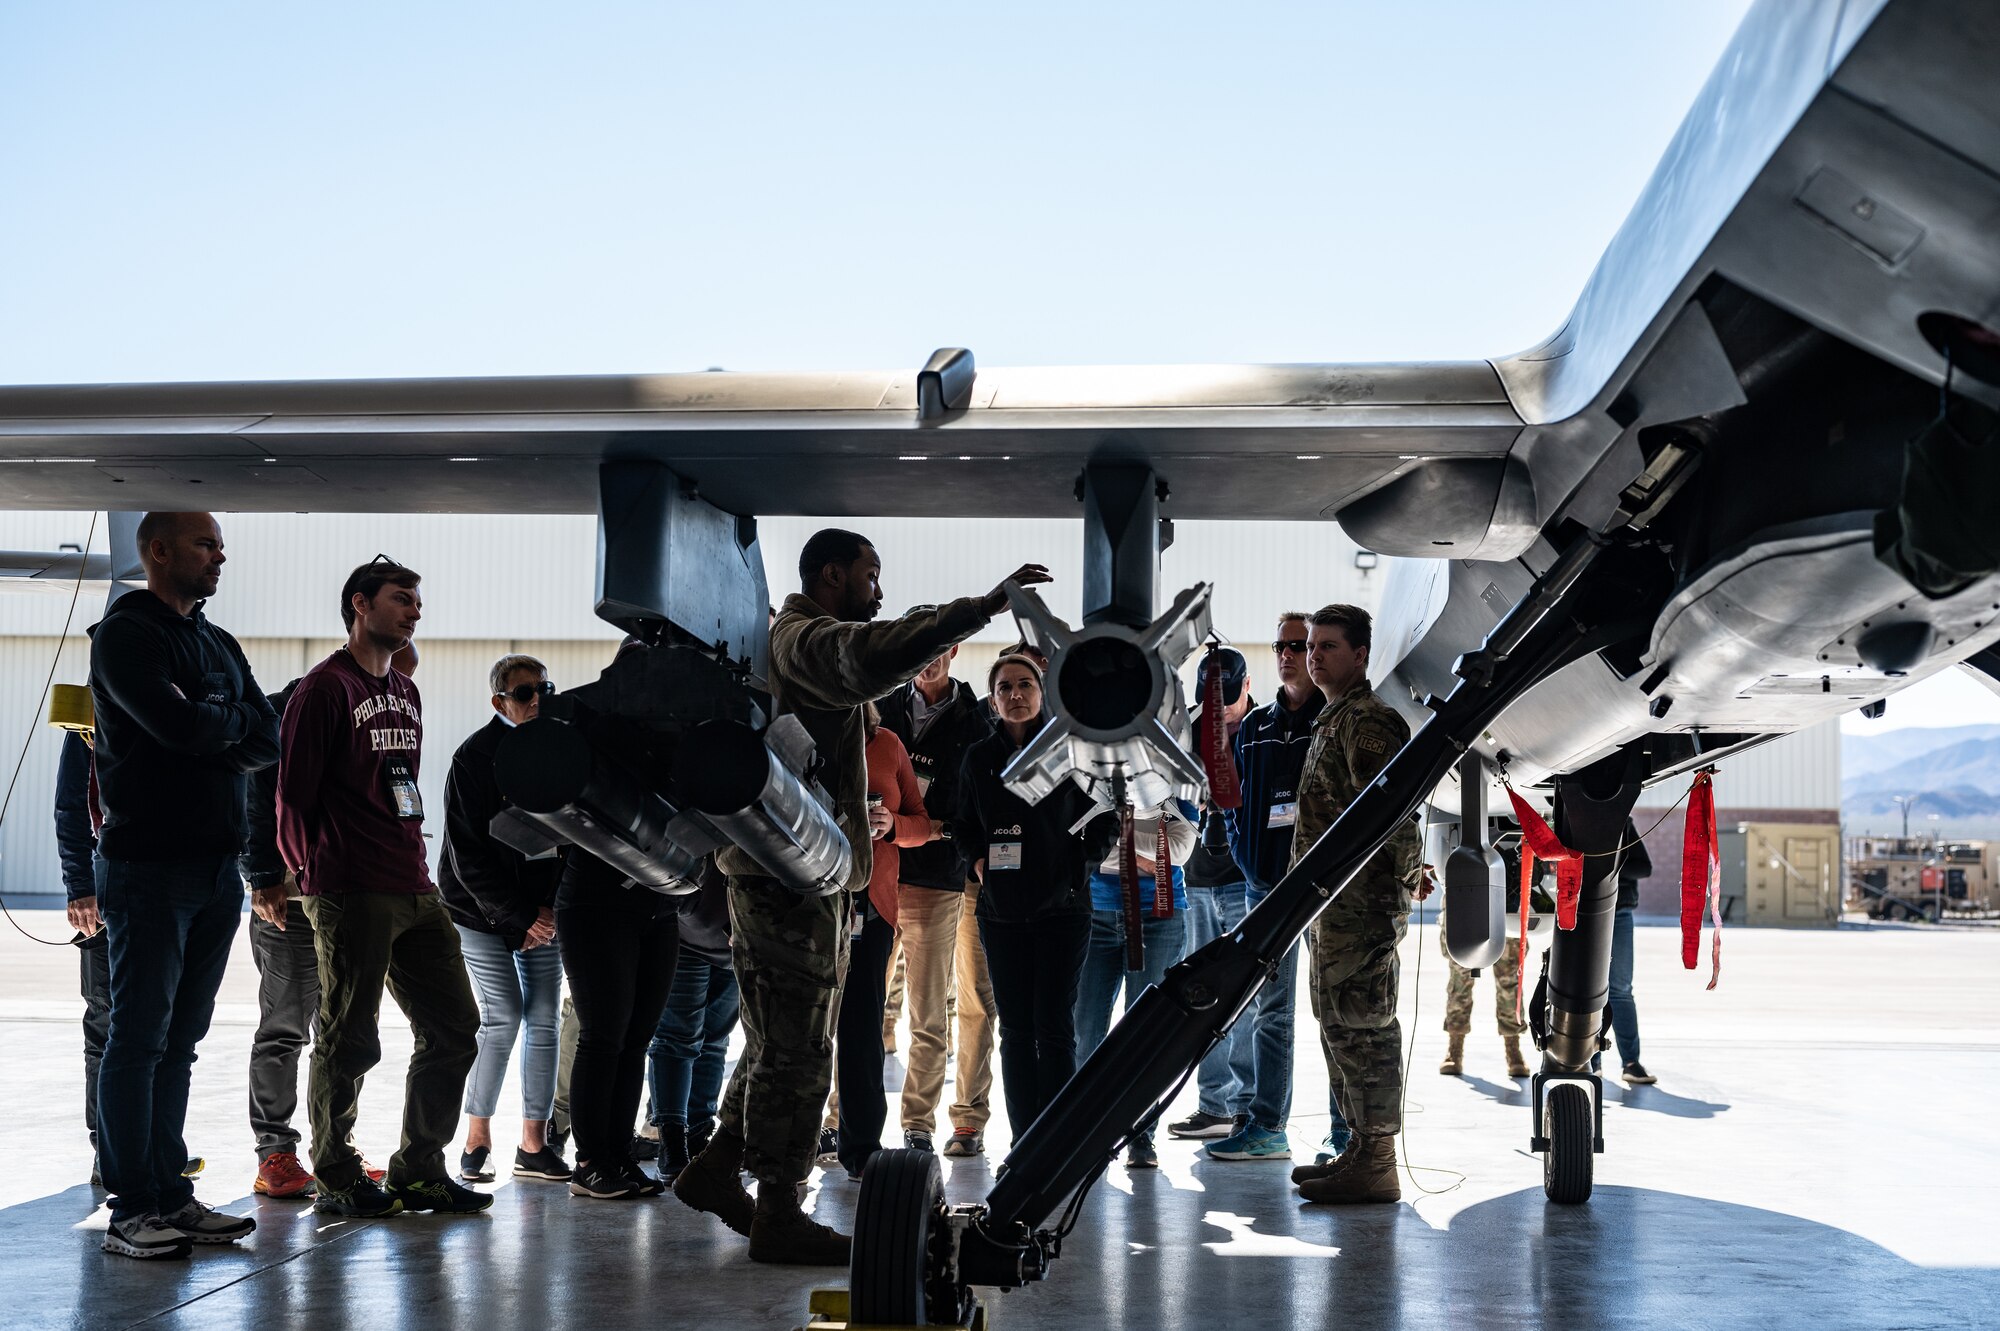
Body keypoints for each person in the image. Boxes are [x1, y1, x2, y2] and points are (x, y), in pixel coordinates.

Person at [674, 527, 1047, 1266]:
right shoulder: (803, 639)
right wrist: (977, 608)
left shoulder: (799, 640)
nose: (877, 589)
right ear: (832, 574)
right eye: (869, 577)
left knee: (780, 1037)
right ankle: (780, 1208)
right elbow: (869, 656)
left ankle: (719, 1165)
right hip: (783, 878)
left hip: (802, 874)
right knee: (798, 1049)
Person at [87, 511, 278, 1258]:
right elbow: (181, 730)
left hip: (213, 867)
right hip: (147, 867)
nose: (220, 556)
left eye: (221, 545)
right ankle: (132, 1206)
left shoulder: (216, 641)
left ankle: (169, 1189)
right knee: (137, 1039)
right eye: (206, 544)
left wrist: (213, 719)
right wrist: (218, 724)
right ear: (158, 550)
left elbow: (266, 736)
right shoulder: (126, 634)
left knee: (181, 1041)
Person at [278, 557, 488, 1218]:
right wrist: (307, 879)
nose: (415, 610)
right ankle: (337, 1171)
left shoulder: (405, 688)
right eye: (403, 598)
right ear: (360, 605)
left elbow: (400, 783)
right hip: (351, 886)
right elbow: (293, 797)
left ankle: (419, 1167)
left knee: (455, 1025)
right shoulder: (323, 689)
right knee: (350, 1034)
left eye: (418, 601)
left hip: (412, 881)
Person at [239, 646, 413, 1201]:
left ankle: (334, 1149)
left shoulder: (385, 711)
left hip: (349, 897)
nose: (395, 692)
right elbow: (256, 795)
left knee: (342, 1031)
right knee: (286, 1027)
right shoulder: (295, 706)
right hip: (288, 903)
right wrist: (263, 873)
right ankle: (275, 1153)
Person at [1286, 604, 1429, 1206]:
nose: (1314, 655)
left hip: (1361, 906)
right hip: (1331, 907)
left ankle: (1377, 1159)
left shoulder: (1369, 723)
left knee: (1365, 1025)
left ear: (1361, 655)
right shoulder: (1331, 720)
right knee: (1336, 1022)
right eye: (1311, 645)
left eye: (1329, 646)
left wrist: (1402, 881)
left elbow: (1390, 812)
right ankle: (1357, 1149)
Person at [955, 655, 1112, 1143]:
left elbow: (1105, 819)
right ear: (993, 697)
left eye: (1025, 685)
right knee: (1016, 1032)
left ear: (1042, 693)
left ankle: (1058, 1143)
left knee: (1055, 1029)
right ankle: (1025, 1144)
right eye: (1005, 688)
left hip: (1062, 911)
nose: (1016, 695)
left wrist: (1075, 871)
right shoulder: (979, 757)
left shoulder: (1073, 752)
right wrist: (978, 862)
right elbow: (961, 824)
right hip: (1001, 912)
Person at [439, 655, 571, 1184]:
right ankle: (476, 1140)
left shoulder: (561, 747)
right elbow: (467, 857)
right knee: (503, 1018)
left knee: (544, 1019)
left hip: (544, 910)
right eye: (523, 693)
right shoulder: (474, 757)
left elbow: (578, 835)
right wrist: (521, 917)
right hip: (481, 909)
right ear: (499, 702)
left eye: (544, 689)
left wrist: (553, 909)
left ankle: (534, 1146)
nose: (536, 699)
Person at [1227, 612, 1339, 1164]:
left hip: (1325, 890)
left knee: (1334, 1008)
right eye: (1284, 645)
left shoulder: (1336, 720)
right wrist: (1242, 852)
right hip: (1265, 888)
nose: (1292, 654)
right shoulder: (1256, 726)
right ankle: (1268, 1127)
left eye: (1303, 645)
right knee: (1270, 1012)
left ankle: (1346, 1133)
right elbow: (1235, 801)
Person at [877, 638, 997, 1159]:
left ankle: (918, 1124)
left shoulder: (976, 722)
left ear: (952, 651)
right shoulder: (879, 710)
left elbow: (970, 810)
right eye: (918, 648)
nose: (927, 660)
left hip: (938, 881)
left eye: (936, 649)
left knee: (928, 1015)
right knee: (862, 1009)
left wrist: (926, 829)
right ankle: (839, 1118)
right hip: (876, 877)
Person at [1170, 647, 1282, 1157]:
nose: (1221, 710)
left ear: (1247, 685)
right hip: (1196, 878)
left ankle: (1247, 1105)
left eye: (1228, 697)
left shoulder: (1263, 728)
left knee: (1250, 996)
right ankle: (1213, 1105)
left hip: (1245, 881)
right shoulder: (1190, 731)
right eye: (1210, 700)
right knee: (1203, 993)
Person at [831, 704, 931, 1178]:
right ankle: (780, 1143)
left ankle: (861, 1148)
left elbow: (921, 824)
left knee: (860, 1030)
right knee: (795, 1032)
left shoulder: (887, 744)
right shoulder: (801, 731)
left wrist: (892, 825)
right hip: (805, 904)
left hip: (870, 909)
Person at [1074, 790, 1197, 1170]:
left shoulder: (1178, 777)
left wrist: (1113, 839)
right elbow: (1078, 841)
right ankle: (1084, 1132)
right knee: (1086, 1030)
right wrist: (1150, 850)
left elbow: (1180, 849)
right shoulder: (1092, 774)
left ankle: (1140, 1135)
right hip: (1097, 911)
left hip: (1159, 915)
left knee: (1146, 1033)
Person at [647, 861, 738, 1183]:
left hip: (742, 943)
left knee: (715, 1041)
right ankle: (672, 1144)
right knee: (676, 1039)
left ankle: (698, 1136)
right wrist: (686, 907)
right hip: (687, 935)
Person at [55, 725, 114, 1185]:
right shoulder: (86, 715)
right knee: (105, 1022)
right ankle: (107, 1149)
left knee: (166, 1028)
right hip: (106, 888)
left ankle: (154, 1144)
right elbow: (71, 806)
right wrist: (80, 887)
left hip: (169, 884)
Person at [1439, 837, 1531, 1079]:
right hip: (1464, 901)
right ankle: (1454, 1047)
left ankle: (1513, 1048)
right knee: (1460, 983)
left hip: (1506, 903)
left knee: (1510, 983)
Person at [1608, 817, 1656, 1084]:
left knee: (1620, 990)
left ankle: (1631, 1062)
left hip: (1620, 913)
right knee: (1582, 988)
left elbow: (1643, 867)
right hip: (1577, 912)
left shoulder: (1622, 822)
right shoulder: (1567, 816)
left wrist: (1606, 863)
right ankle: (1590, 1061)